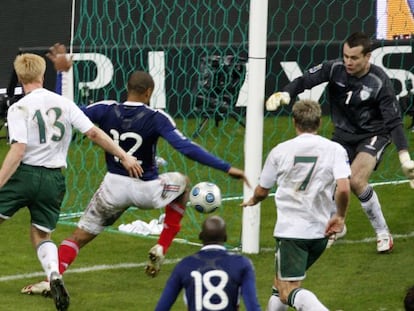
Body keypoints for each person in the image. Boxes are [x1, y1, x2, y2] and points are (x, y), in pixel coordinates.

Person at [22, 44, 249, 296]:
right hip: (147, 190)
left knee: (78, 237)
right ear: (149, 92)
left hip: (112, 189)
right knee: (182, 183)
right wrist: (226, 167)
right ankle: (162, 245)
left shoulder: (106, 108)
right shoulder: (156, 116)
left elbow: (66, 113)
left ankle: (51, 277)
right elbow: (185, 147)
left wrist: (64, 74)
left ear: (127, 89)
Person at [0, 53, 142, 311]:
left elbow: (18, 149)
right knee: (42, 233)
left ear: (20, 78)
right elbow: (93, 132)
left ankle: (54, 276)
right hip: (54, 179)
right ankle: (54, 274)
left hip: (24, 175)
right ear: (43, 75)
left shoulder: (18, 107)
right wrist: (123, 156)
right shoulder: (64, 104)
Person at [266, 31, 414, 253]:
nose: (348, 62)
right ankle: (336, 224)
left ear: (367, 57)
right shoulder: (334, 69)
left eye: (354, 58)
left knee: (355, 180)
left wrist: (405, 158)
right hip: (343, 134)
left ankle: (383, 232)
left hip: (373, 134)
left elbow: (393, 122)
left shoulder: (379, 82)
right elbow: (305, 80)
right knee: (325, 178)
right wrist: (286, 94)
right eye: (345, 56)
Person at [242, 100, 351, 311]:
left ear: (294, 122)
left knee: (287, 291)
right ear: (319, 122)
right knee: (279, 284)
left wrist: (253, 200)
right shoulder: (335, 149)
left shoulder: (280, 151)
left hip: (292, 233)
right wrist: (340, 216)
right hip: (321, 232)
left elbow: (262, 190)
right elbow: (344, 188)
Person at [155, 215, 261, 311]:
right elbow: (253, 307)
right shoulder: (242, 264)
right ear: (225, 237)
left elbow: (162, 307)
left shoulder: (184, 265)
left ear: (200, 236)